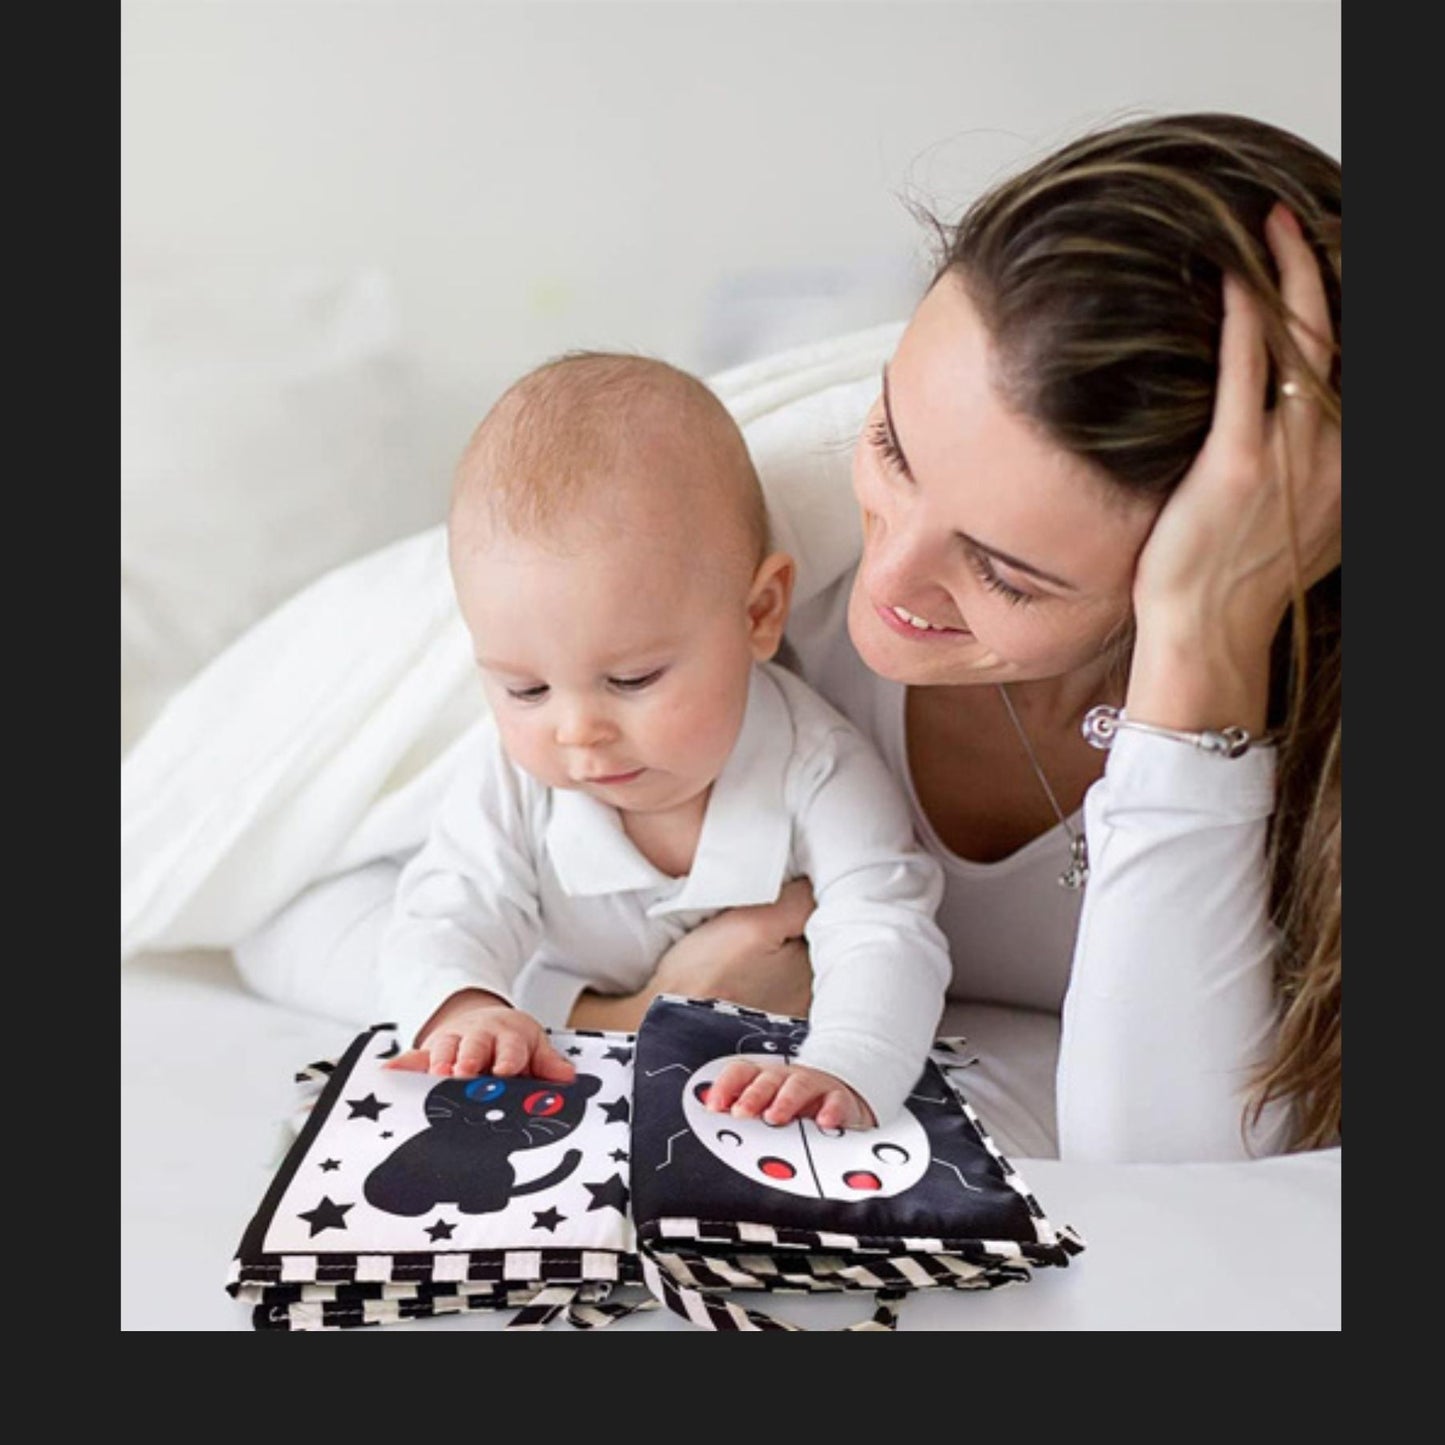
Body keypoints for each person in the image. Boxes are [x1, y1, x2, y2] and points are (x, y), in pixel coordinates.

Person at [236, 111, 1341, 1163]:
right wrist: (625, 1012)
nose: (888, 582)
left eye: (1005, 568)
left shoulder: (1288, 722)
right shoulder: (706, 603)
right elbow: (286, 896)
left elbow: (1171, 1168)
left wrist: (1199, 653)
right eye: (893, 447)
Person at [370, 350, 953, 1132]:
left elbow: (883, 923)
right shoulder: (510, 776)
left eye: (634, 678)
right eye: (526, 690)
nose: (576, 730)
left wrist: (842, 1063)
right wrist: (465, 1005)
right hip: (574, 1051)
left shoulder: (815, 764)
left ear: (757, 614)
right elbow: (446, 909)